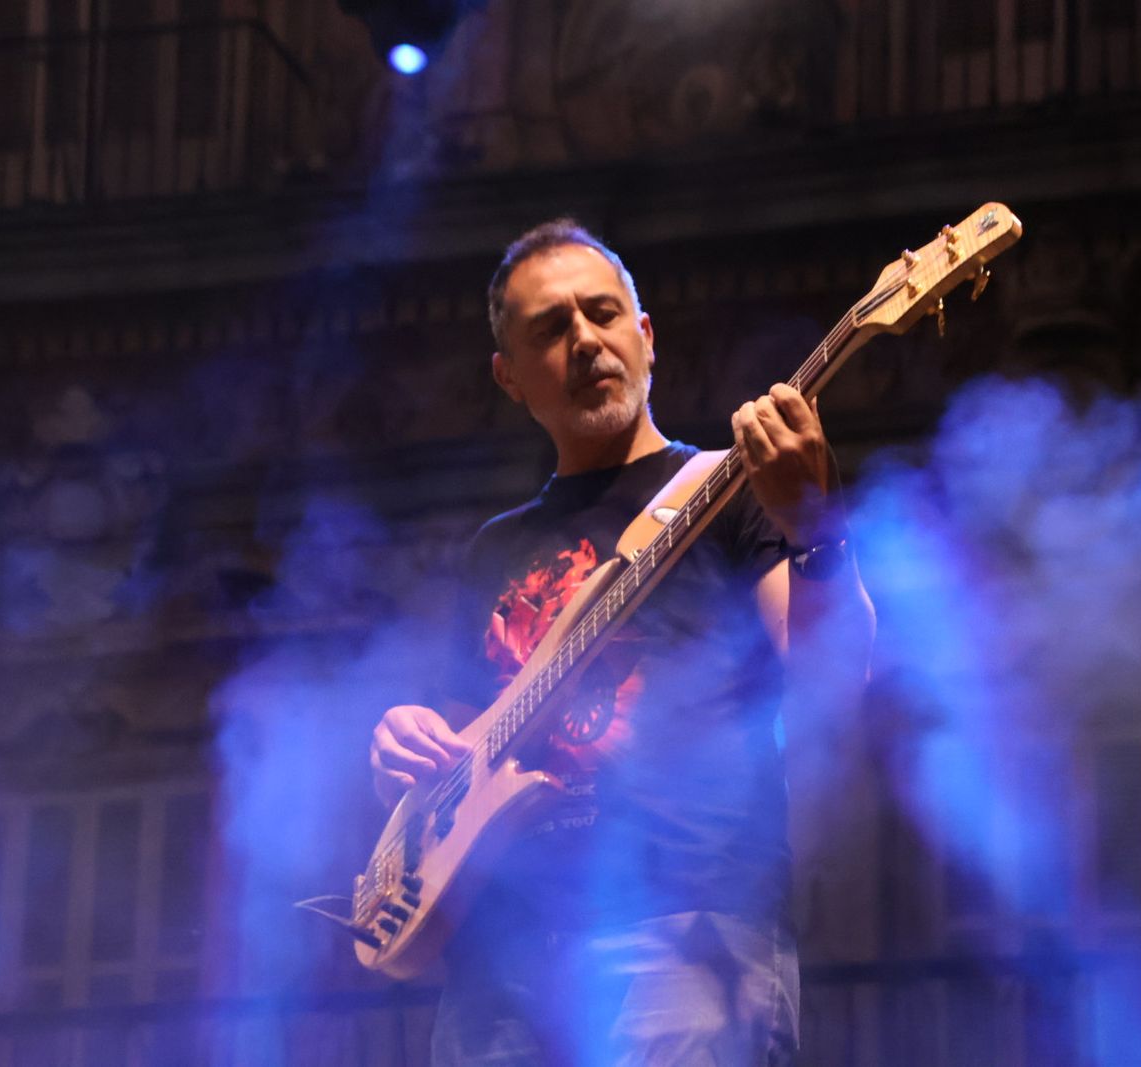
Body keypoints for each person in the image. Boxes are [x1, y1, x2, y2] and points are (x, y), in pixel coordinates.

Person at [369, 219, 875, 1066]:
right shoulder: (492, 550)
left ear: (645, 336)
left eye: (602, 314)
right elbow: (461, 757)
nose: (584, 339)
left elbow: (835, 676)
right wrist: (403, 745)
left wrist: (814, 527)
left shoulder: (731, 492)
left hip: (685, 925)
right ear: (508, 376)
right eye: (549, 328)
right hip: (502, 964)